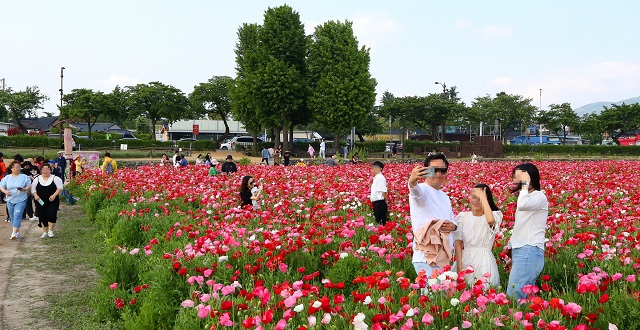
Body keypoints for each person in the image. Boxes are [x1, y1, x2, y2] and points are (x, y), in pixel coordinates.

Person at [408, 154, 458, 280]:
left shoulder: (445, 197)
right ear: (426, 170)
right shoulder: (423, 190)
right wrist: (412, 181)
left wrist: (453, 226)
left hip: (442, 258)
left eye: (443, 170)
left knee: (439, 297)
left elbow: (452, 219)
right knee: (430, 296)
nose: (438, 174)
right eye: (434, 170)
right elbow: (415, 192)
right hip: (426, 258)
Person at [505, 163, 548, 300]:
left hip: (529, 249)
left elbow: (522, 205)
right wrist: (512, 257)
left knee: (515, 296)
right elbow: (520, 228)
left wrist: (524, 184)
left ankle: (517, 321)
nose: (514, 180)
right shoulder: (527, 197)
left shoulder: (539, 196)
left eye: (518, 176)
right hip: (523, 251)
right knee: (519, 295)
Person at [453, 184, 502, 287]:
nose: (475, 200)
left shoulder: (495, 215)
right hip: (465, 259)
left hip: (484, 260)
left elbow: (491, 221)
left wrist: (483, 199)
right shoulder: (463, 217)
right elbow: (458, 243)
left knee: (484, 291)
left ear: (487, 200)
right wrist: (459, 266)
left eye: (479, 197)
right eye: (473, 197)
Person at [0, 160, 32, 240]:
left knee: (17, 215)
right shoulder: (7, 178)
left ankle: (13, 233)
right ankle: (17, 231)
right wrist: (5, 192)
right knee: (12, 216)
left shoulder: (24, 177)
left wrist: (24, 189)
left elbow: (29, 185)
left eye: (19, 167)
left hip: (21, 199)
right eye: (16, 167)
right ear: (11, 168)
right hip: (10, 199)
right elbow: (2, 187)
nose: (18, 168)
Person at [31, 163, 63, 238]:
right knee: (42, 215)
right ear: (41, 170)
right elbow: (33, 189)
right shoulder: (37, 179)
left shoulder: (55, 178)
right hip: (40, 201)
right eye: (43, 169)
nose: (45, 171)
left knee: (52, 214)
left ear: (50, 170)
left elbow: (60, 187)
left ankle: (50, 230)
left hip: (52, 201)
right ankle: (45, 232)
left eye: (47, 169)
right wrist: (36, 195)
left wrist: (54, 195)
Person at [370, 161, 388, 225]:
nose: (373, 170)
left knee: (381, 223)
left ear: (380, 169)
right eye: (373, 168)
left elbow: (384, 191)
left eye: (375, 168)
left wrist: (385, 202)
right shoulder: (376, 178)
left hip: (380, 203)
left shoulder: (380, 178)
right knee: (378, 222)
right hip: (376, 203)